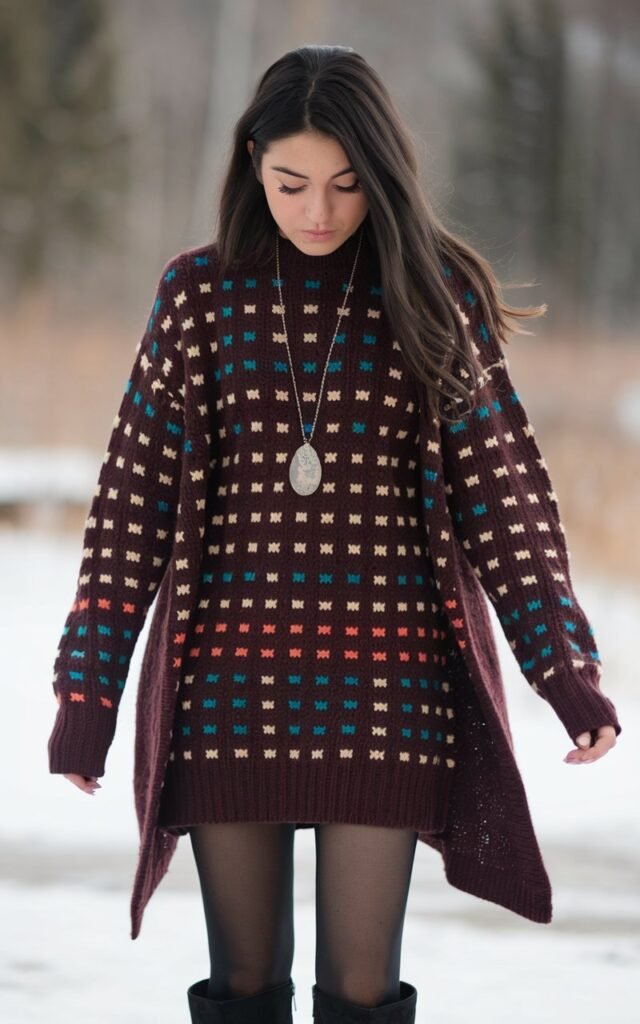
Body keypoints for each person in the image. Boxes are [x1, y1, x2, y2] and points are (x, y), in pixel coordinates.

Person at [47, 44, 621, 1024]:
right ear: (250, 164)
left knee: (360, 991)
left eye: (347, 186)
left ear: (384, 176)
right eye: (290, 183)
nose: (318, 212)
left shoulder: (433, 294)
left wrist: (564, 672)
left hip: (388, 688)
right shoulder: (198, 297)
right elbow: (129, 512)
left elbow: (505, 504)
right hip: (228, 685)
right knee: (243, 986)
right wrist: (88, 692)